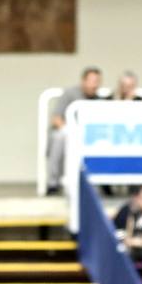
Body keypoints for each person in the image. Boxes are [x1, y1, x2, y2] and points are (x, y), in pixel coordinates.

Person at [46, 66, 102, 194]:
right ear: (83, 81)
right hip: (68, 132)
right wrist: (73, 132)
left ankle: (97, 184)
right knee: (60, 136)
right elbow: (56, 118)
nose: (94, 85)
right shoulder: (70, 94)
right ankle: (53, 183)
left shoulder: (98, 99)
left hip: (88, 136)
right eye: (92, 81)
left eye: (97, 81)